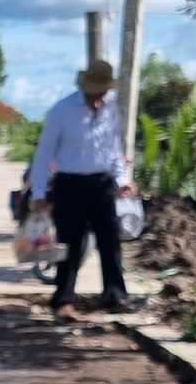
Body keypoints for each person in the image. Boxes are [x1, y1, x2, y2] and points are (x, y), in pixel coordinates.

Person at [29, 58, 142, 317]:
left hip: (102, 184)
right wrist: (39, 191)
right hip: (70, 184)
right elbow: (44, 154)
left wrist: (122, 179)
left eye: (103, 91)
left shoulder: (111, 107)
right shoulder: (63, 110)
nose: (98, 97)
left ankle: (115, 295)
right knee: (69, 243)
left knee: (110, 241)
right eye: (95, 91)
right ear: (85, 88)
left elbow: (113, 149)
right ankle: (63, 300)